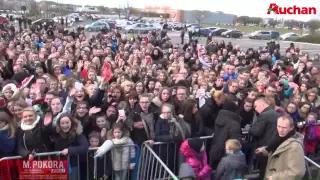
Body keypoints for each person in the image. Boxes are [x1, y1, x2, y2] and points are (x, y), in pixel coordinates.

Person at [255, 115, 305, 180]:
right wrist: (264, 150)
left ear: (291, 127)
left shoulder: (295, 146)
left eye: (284, 127)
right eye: (279, 126)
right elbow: (278, 151)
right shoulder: (278, 138)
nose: (281, 130)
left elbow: (297, 172)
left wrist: (276, 177)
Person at [249, 97, 280, 179]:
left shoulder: (264, 115)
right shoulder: (276, 114)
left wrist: (250, 129)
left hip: (264, 146)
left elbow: (257, 131)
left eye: (256, 106)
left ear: (262, 104)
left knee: (263, 170)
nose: (255, 109)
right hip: (273, 146)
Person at [209, 100, 242, 169]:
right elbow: (235, 142)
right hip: (227, 153)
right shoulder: (234, 123)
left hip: (216, 150)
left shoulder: (219, 118)